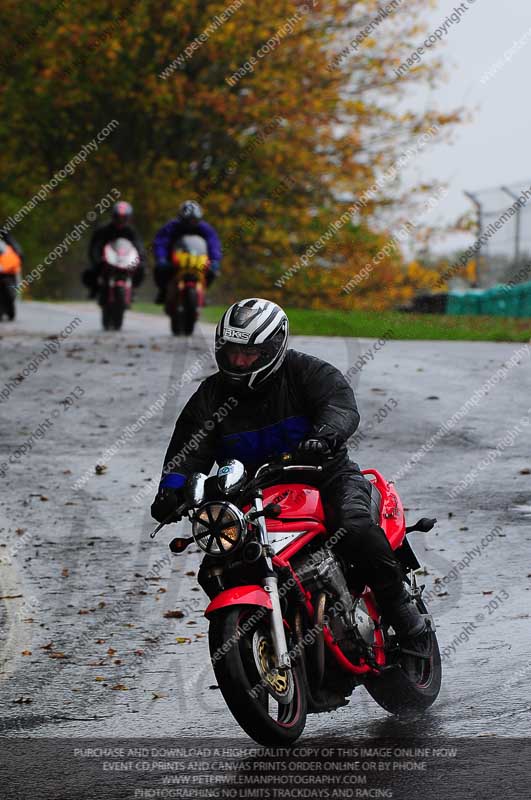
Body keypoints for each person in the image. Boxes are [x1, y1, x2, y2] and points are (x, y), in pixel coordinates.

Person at [151, 298, 426, 643]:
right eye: (231, 351)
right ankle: (271, 628)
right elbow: (189, 449)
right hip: (250, 493)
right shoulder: (210, 396)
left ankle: (399, 607)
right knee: (215, 567)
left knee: (353, 527)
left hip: (324, 474)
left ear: (272, 349)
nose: (238, 360)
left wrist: (324, 437)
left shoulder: (308, 373)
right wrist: (171, 490)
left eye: (248, 354)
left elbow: (339, 406)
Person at [152, 201, 222, 303]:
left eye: (194, 220)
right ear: (181, 218)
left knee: (212, 272)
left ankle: (203, 292)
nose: (191, 223)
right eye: (188, 220)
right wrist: (161, 258)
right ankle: (163, 291)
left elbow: (214, 243)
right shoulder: (172, 227)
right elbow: (161, 242)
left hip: (198, 260)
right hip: (174, 260)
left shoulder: (205, 228)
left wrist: (215, 260)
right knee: (159, 269)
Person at [83, 201, 146, 297]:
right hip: (106, 260)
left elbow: (139, 246)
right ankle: (95, 290)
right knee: (90, 272)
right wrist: (98, 260)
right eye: (118, 217)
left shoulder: (130, 231)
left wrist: (141, 258)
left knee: (141, 269)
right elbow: (94, 247)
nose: (121, 221)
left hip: (125, 261)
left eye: (124, 218)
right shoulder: (103, 230)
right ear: (113, 216)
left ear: (128, 218)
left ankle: (132, 289)